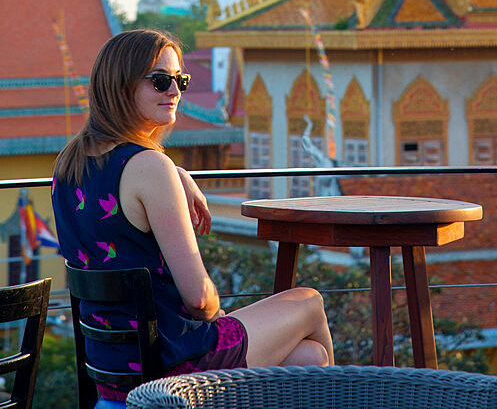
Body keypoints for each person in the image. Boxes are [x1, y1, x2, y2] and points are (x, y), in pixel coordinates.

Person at [52, 29, 334, 400]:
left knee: (307, 357)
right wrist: (220, 313)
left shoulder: (68, 164)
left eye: (180, 80)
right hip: (175, 366)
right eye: (159, 81)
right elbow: (199, 300)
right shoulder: (150, 168)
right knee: (310, 302)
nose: (174, 92)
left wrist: (177, 173)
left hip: (114, 372)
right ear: (120, 86)